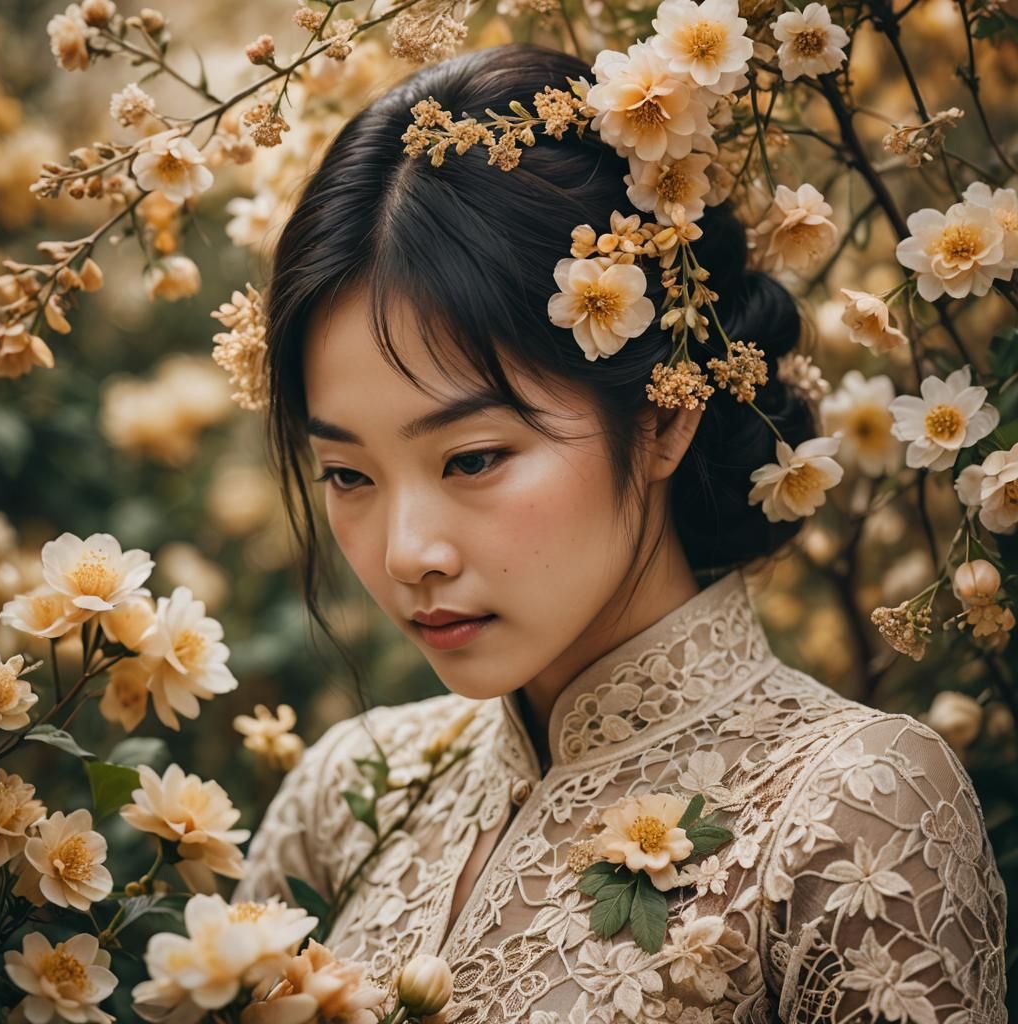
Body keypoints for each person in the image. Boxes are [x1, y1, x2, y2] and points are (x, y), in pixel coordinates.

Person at [233, 42, 1007, 1023]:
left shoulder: (848, 812)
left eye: (471, 458)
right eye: (346, 474)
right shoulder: (344, 803)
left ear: (664, 414)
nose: (405, 553)